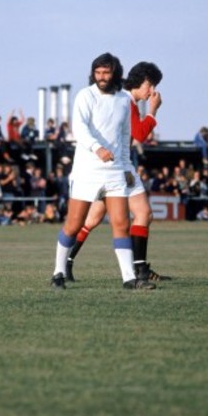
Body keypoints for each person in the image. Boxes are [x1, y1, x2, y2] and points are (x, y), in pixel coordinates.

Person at [50, 53, 154, 290]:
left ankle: (129, 278)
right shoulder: (85, 96)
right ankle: (58, 272)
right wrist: (98, 149)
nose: (101, 77)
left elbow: (125, 137)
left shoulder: (122, 100)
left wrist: (126, 168)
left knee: (121, 223)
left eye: (106, 72)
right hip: (87, 171)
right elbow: (80, 129)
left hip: (116, 172)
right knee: (74, 224)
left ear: (115, 73)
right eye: (97, 72)